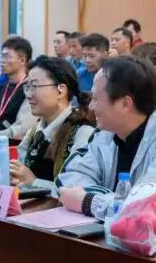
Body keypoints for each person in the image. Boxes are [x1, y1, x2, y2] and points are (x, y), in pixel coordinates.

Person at [55, 56, 156, 233]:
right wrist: (110, 202)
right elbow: (69, 179)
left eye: (96, 99)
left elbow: (151, 212)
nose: (91, 107)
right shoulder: (104, 133)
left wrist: (89, 201)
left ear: (125, 103)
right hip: (122, 236)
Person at [9, 56, 95, 194]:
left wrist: (34, 182)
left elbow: (79, 192)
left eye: (34, 86)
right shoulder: (35, 130)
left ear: (61, 90)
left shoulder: (82, 133)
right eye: (27, 87)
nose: (28, 95)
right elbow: (20, 172)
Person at [0, 36, 37, 138]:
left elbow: (21, 129)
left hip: (15, 144)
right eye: (1, 56)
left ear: (22, 60)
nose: (2, 61)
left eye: (7, 56)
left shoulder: (31, 90)